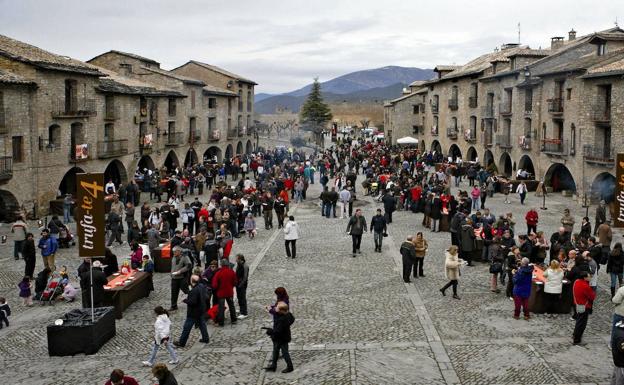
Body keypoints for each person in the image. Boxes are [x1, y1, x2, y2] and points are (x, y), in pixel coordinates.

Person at [174, 274, 209, 347]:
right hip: (201, 310)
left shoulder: (194, 290)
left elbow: (193, 302)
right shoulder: (202, 286)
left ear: (192, 281)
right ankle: (205, 338)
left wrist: (185, 300)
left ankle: (181, 342)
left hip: (193, 313)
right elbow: (206, 297)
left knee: (187, 328)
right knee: (202, 325)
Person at [264, 302, 295, 374]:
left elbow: (277, 331)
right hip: (283, 337)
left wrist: (270, 331)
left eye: (277, 307)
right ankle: (273, 365)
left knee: (285, 353)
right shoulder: (288, 314)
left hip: (281, 338)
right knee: (275, 350)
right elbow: (292, 319)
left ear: (281, 311)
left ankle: (290, 367)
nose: (275, 308)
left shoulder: (282, 320)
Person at [212, 258, 238, 327]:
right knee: (231, 306)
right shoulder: (231, 272)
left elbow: (214, 285)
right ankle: (234, 320)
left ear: (221, 265)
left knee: (221, 308)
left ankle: (221, 323)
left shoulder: (218, 273)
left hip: (221, 293)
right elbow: (235, 282)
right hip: (229, 292)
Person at [573, 271, 595, 345]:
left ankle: (575, 335)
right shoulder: (585, 286)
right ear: (584, 278)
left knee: (579, 320)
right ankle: (577, 339)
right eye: (589, 276)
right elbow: (592, 296)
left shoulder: (577, 281)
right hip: (584, 306)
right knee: (582, 323)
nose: (590, 278)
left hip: (577, 304)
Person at [169, 246, 192, 311]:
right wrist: (171, 273)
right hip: (174, 278)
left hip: (182, 278)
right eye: (173, 251)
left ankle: (194, 300)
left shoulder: (185, 257)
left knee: (186, 290)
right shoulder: (173, 257)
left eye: (175, 251)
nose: (174, 253)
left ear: (179, 251)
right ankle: (173, 306)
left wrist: (180, 271)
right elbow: (173, 266)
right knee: (174, 292)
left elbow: (189, 265)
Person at [235, 254, 249, 319]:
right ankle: (241, 310)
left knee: (242, 298)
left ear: (240, 259)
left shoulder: (245, 266)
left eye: (237, 259)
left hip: (242, 285)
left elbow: (245, 277)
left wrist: (241, 285)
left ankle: (244, 312)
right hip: (238, 284)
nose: (235, 260)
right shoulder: (239, 265)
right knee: (239, 297)